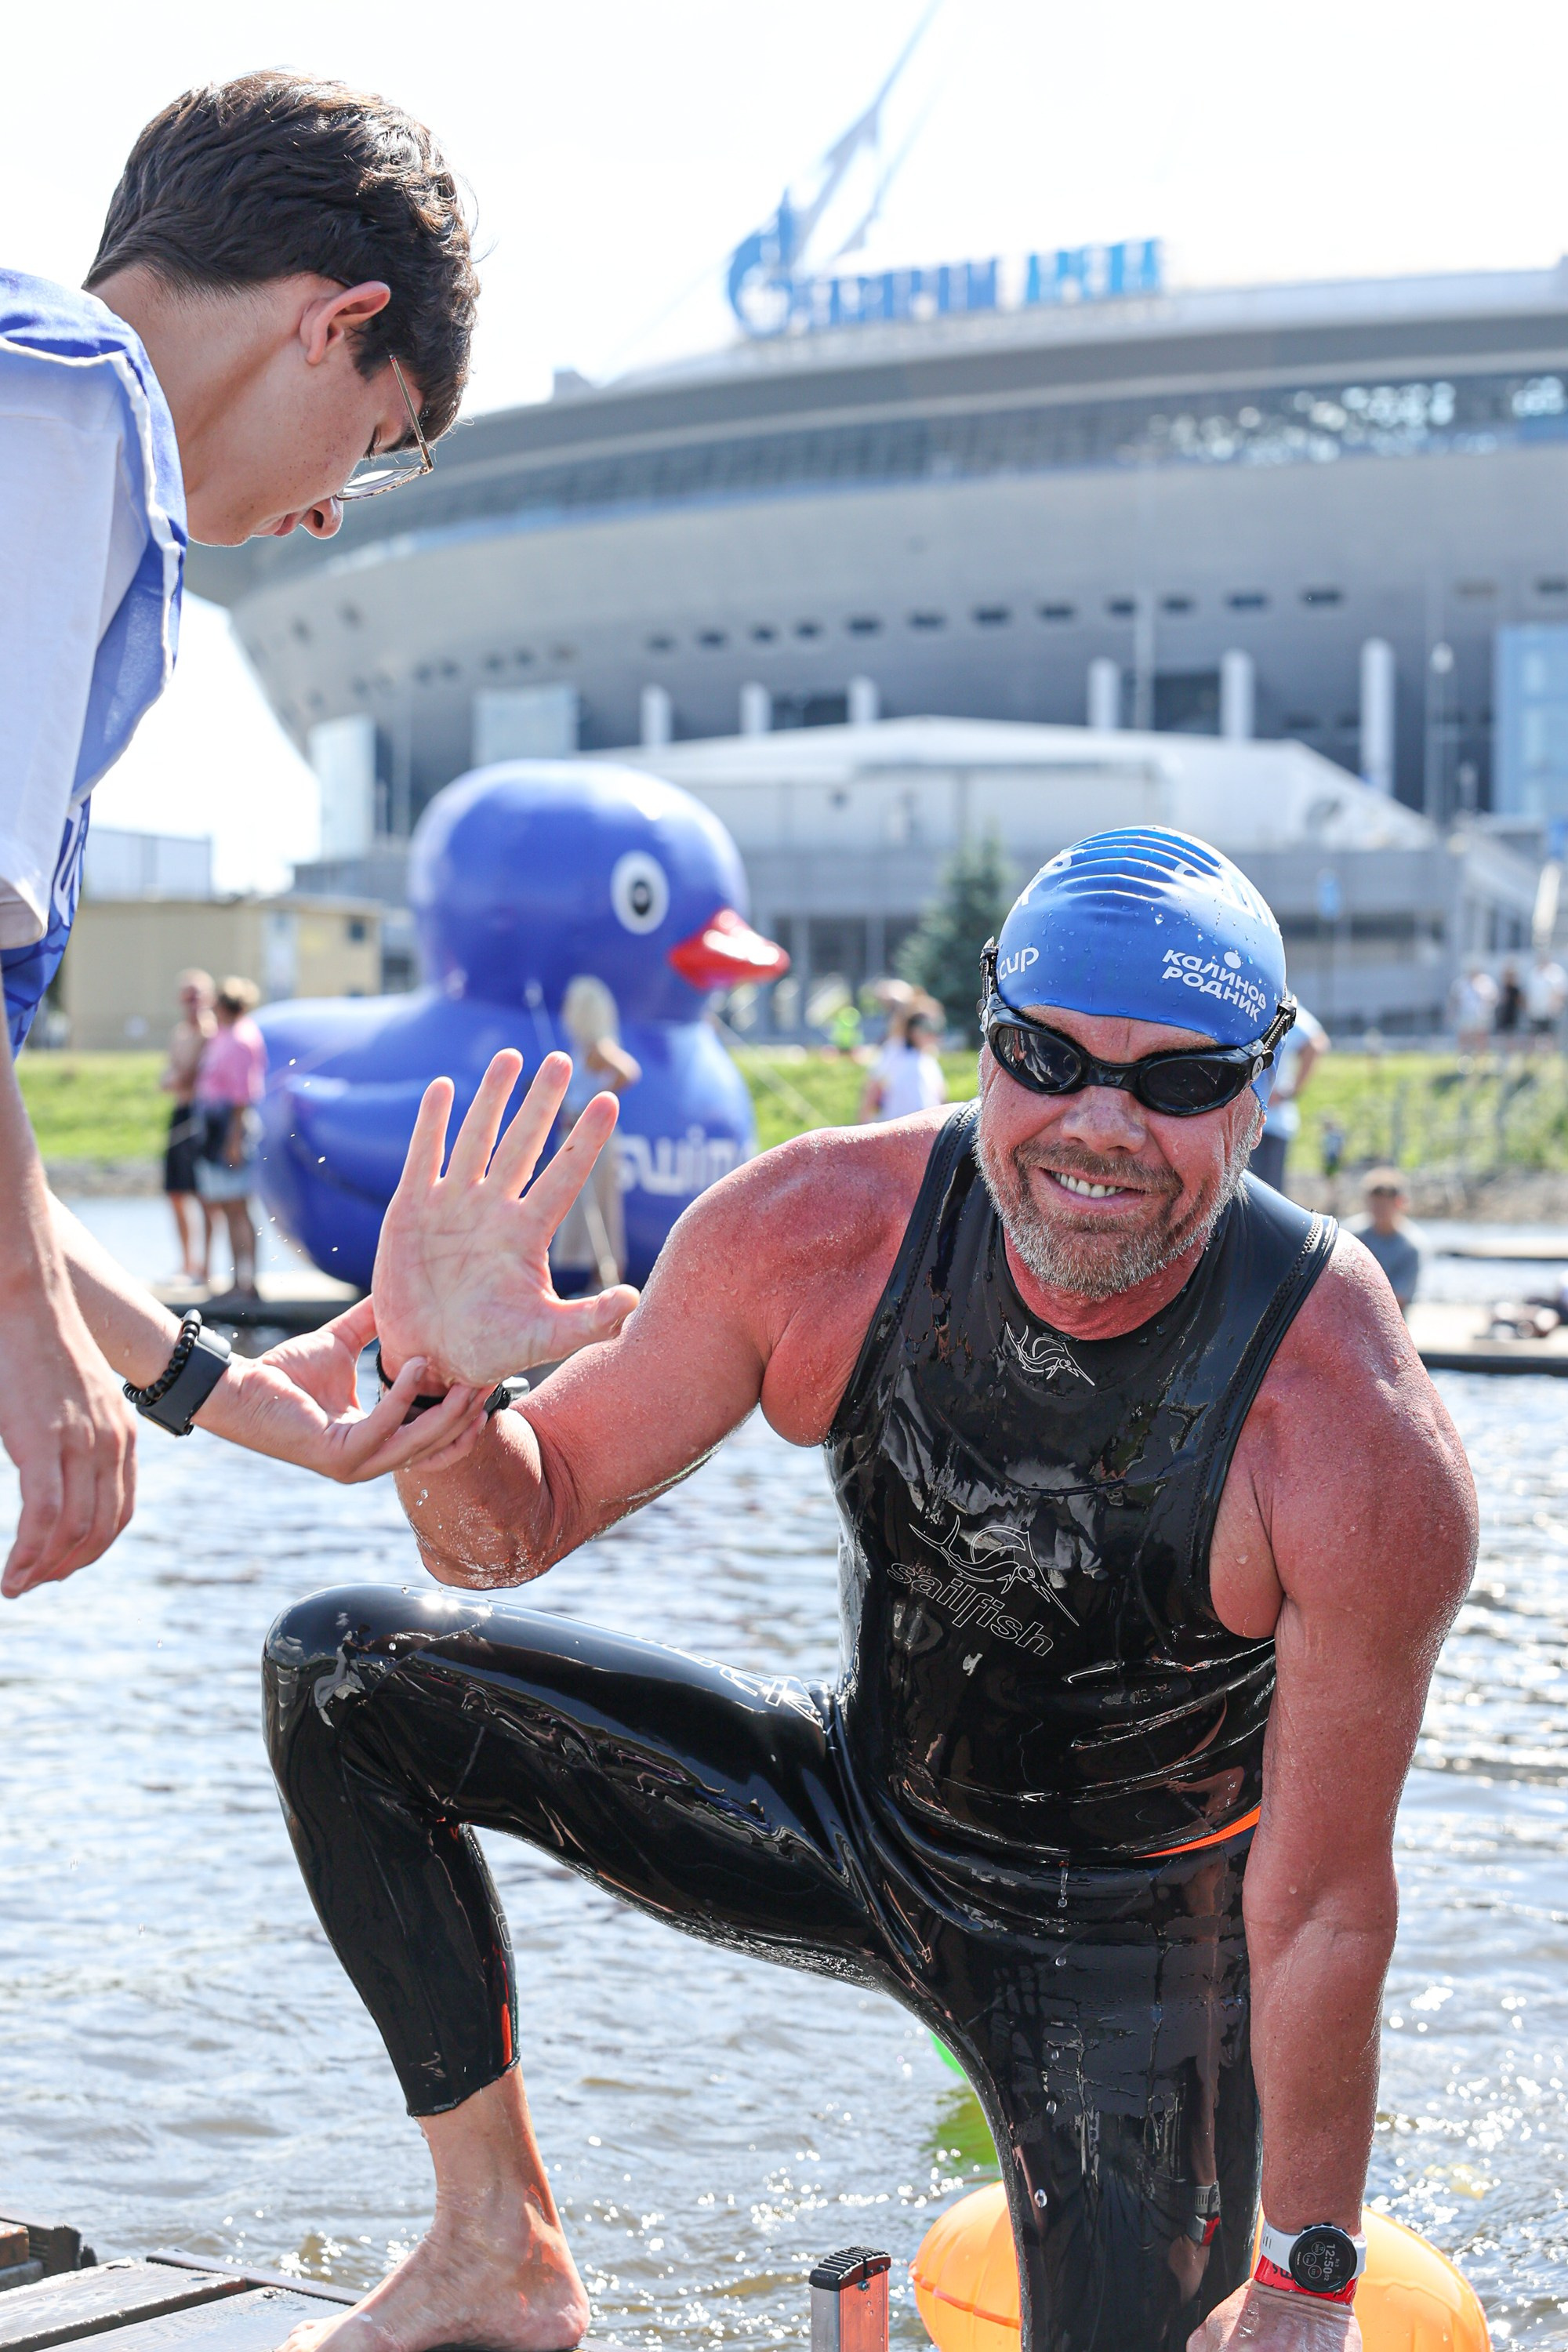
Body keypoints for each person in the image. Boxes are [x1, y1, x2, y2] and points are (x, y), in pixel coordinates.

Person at [261, 828, 1476, 2352]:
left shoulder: (1350, 1434)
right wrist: (444, 1402)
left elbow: (1324, 1905)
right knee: (343, 1679)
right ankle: (493, 2243)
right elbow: (508, 1530)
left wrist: (1306, 2280)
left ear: (1261, 1084)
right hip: (859, 1817)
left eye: (1174, 1082)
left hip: (1135, 1962)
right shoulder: (816, 1234)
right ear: (986, 1036)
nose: (1100, 1128)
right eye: (1048, 1060)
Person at [0, 73, 481, 1594]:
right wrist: (28, 1325)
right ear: (336, 322)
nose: (333, 511)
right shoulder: (67, 404)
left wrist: (226, 1392)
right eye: (381, 441)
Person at [550, 975, 641, 1292]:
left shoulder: (596, 1047)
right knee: (589, 1210)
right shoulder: (584, 1047)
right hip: (582, 1139)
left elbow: (628, 1071)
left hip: (594, 1141)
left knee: (600, 1209)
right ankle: (599, 1282)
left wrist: (591, 1106)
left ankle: (605, 1283)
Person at [193, 978, 267, 1301]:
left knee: (238, 1206)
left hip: (229, 1127)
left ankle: (247, 1282)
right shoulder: (225, 1034)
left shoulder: (240, 1039)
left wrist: (234, 1140)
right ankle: (239, 1280)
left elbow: (241, 1095)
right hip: (215, 1124)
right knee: (226, 1205)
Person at [159, 967, 214, 1283]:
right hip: (181, 1112)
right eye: (187, 997)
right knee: (176, 1192)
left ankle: (205, 1267)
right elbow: (171, 1077)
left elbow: (189, 1075)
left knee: (205, 1194)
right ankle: (187, 1264)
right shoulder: (180, 1033)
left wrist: (178, 1076)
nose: (192, 1003)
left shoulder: (210, 1033)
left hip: (201, 1114)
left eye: (197, 996)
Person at [1247, 1002, 1327, 1194]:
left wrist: (1288, 1092)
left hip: (1270, 1121)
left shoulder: (1281, 1003)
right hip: (1254, 1118)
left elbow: (1316, 1044)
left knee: (1260, 1195)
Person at [860, 1000, 948, 1122]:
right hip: (898, 1123)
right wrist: (864, 1119)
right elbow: (874, 1086)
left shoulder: (928, 1060)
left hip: (925, 1124)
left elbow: (940, 1096)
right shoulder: (896, 1050)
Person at [1348, 1168, 1421, 1315]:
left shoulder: (1410, 1247)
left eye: (1384, 1206)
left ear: (1399, 1203)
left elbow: (1399, 1298)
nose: (1379, 1211)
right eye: (1375, 1204)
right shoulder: (1352, 1238)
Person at [1449, 963, 1497, 1058]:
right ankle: (1464, 1057)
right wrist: (1452, 1013)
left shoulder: (1486, 981)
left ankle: (1481, 1058)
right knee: (1464, 1036)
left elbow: (1493, 998)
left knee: (1481, 1036)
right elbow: (1454, 999)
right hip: (1465, 1014)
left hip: (1482, 1015)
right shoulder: (1461, 983)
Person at [1524, 951, 1567, 1050]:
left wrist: (1556, 1006)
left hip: (1552, 1012)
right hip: (1536, 1012)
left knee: (1551, 1035)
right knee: (1536, 1035)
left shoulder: (1556, 972)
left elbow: (1561, 992)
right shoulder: (1533, 973)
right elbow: (1529, 992)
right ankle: (1538, 1055)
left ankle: (1552, 1055)